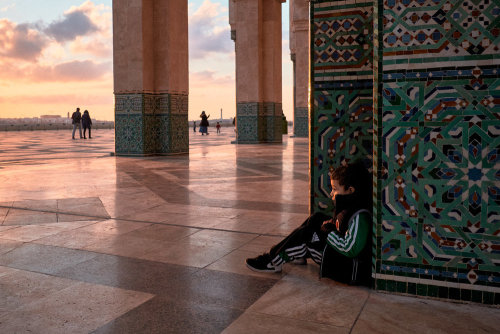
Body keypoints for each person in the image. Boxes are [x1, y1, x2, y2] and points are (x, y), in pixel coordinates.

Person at [245, 161, 372, 285]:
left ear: (350, 190)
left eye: (335, 189)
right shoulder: (351, 205)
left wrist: (329, 232)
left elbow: (350, 249)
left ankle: (272, 262)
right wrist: (331, 226)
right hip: (336, 254)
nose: (331, 193)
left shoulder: (359, 216)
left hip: (343, 268)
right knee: (316, 218)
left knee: (306, 236)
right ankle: (294, 255)